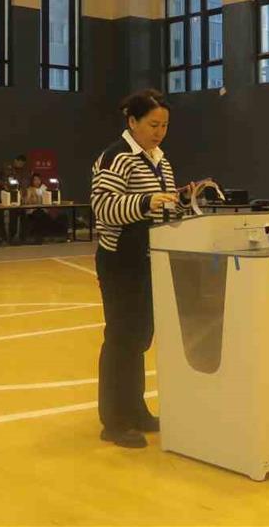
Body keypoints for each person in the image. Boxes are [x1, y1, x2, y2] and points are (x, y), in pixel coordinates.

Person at [90, 89, 193, 449]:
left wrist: (182, 202)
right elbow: (104, 209)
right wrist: (148, 200)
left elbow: (163, 212)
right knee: (120, 338)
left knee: (139, 339)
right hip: (120, 260)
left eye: (165, 125)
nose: (160, 131)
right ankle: (114, 421)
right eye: (153, 124)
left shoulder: (161, 161)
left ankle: (135, 410)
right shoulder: (115, 158)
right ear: (131, 122)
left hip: (151, 259)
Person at [4, 154, 30, 242]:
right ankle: (12, 237)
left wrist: (25, 195)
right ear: (15, 161)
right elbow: (7, 184)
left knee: (24, 218)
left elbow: (25, 184)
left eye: (23, 164)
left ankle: (24, 237)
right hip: (12, 197)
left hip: (23, 197)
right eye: (20, 163)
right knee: (13, 218)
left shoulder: (25, 171)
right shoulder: (9, 170)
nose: (21, 165)